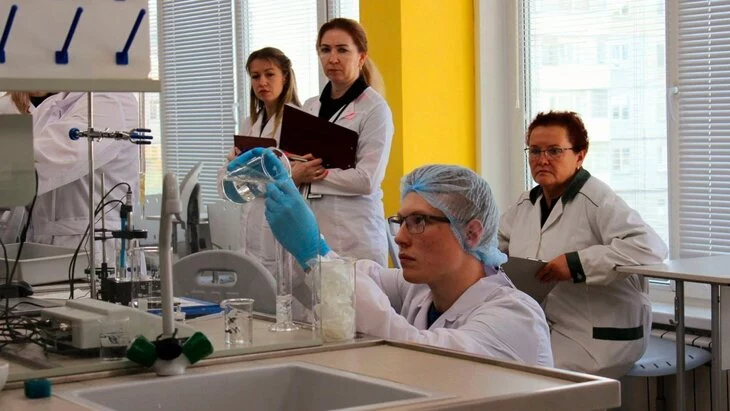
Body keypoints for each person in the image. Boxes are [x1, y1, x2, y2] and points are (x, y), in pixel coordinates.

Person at [235, 149, 553, 366]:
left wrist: (316, 251)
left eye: (419, 222)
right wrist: (300, 244)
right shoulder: (420, 290)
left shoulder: (514, 316)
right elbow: (342, 288)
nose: (400, 237)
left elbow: (417, 357)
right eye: (401, 221)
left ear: (471, 233)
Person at [498, 111, 668, 378]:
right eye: (535, 151)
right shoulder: (526, 204)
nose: (542, 159)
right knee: (495, 365)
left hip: (600, 334)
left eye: (554, 151)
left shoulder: (597, 199)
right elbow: (496, 245)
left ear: (580, 155)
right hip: (550, 325)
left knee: (531, 378)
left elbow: (649, 247)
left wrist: (577, 264)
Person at [218, 47, 324, 275]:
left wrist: (247, 176)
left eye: (269, 74)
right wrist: (283, 177)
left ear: (285, 76)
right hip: (250, 228)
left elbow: (295, 180)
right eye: (255, 76)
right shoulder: (249, 124)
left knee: (285, 287)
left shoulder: (300, 123)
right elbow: (225, 184)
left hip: (280, 230)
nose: (262, 82)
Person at [300, 18, 394, 266]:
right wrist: (295, 171)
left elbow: (367, 179)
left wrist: (311, 175)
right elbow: (297, 161)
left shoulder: (375, 109)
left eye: (342, 50)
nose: (332, 58)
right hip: (314, 229)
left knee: (357, 290)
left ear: (361, 57)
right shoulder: (310, 107)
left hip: (356, 233)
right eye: (325, 50)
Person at [27, 92, 140, 253]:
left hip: (94, 243)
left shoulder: (109, 99)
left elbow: (54, 155)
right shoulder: (50, 105)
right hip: (45, 241)